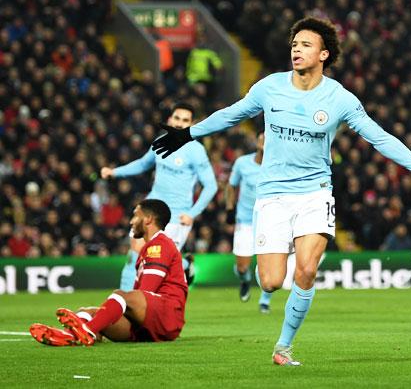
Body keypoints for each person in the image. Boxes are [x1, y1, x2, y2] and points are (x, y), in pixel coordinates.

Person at [151, 16, 411, 366]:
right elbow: (232, 114)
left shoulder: (339, 98)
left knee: (306, 270)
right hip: (271, 194)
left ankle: (283, 347)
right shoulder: (269, 87)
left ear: (324, 55)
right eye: (294, 44)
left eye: (305, 45)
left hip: (315, 192)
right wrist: (189, 133)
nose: (296, 50)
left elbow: (379, 137)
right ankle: (268, 267)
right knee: (270, 282)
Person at [29, 199, 188, 346]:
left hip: (167, 316)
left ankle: (86, 330)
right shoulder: (149, 248)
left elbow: (146, 291)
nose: (131, 221)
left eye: (135, 216)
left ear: (148, 219)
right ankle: (70, 336)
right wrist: (106, 316)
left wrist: (119, 308)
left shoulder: (159, 245)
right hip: (149, 323)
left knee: (121, 296)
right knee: (89, 312)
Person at [101, 102, 217, 290]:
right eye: (177, 118)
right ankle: (122, 303)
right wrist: (115, 172)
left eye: (185, 120)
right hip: (151, 209)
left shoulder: (196, 151)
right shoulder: (160, 141)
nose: (179, 124)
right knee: (134, 255)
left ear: (191, 124)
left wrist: (192, 214)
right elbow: (142, 164)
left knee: (163, 261)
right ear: (170, 119)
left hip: (177, 215)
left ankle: (186, 266)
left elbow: (211, 185)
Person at [226, 131, 291, 313]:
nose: (265, 141)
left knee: (269, 264)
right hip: (245, 220)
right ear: (257, 141)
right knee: (242, 266)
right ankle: (245, 279)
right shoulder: (242, 163)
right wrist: (230, 208)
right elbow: (231, 186)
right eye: (263, 137)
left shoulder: (280, 166)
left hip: (269, 220)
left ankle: (264, 300)